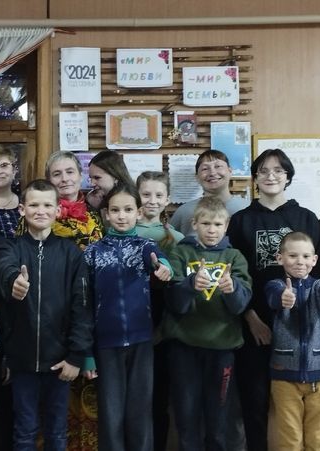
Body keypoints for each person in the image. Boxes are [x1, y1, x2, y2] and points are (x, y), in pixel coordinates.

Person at [227, 148, 320, 451]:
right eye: (263, 171)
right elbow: (234, 275)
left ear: (288, 176)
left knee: (298, 407)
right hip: (254, 325)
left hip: (298, 327)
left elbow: (319, 274)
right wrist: (250, 317)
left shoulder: (306, 218)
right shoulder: (240, 220)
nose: (271, 176)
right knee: (254, 400)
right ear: (255, 178)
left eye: (278, 170)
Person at [0, 179, 94, 451]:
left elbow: (82, 306)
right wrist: (14, 281)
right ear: (22, 209)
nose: (41, 211)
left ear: (58, 210)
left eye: (47, 205)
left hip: (60, 361)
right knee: (24, 432)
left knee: (57, 432)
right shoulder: (11, 247)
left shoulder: (71, 253)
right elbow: (5, 268)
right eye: (34, 205)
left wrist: (76, 356)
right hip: (21, 360)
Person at [84, 183, 172, 451]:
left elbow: (160, 261)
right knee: (111, 415)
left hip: (141, 341)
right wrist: (86, 353)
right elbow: (83, 304)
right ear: (106, 214)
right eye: (115, 210)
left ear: (138, 212)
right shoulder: (93, 252)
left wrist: (164, 268)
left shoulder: (146, 246)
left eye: (128, 210)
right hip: (106, 344)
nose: (121, 216)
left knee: (140, 413)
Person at [163, 196, 252, 451]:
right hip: (184, 348)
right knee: (186, 416)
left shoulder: (234, 257)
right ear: (194, 224)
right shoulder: (180, 252)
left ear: (226, 226)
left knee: (219, 419)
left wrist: (232, 289)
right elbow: (174, 303)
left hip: (222, 349)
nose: (211, 230)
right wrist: (190, 285)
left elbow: (240, 305)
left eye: (217, 224)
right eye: (205, 224)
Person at [265, 232, 320, 451]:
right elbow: (274, 296)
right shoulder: (275, 285)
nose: (299, 261)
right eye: (292, 256)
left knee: (318, 438)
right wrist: (284, 298)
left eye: (305, 256)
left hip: (319, 376)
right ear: (280, 258)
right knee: (289, 439)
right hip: (284, 376)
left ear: (314, 260)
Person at [43, 151, 103, 451]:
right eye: (57, 174)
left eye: (70, 172)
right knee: (53, 403)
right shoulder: (40, 213)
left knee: (90, 398)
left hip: (91, 314)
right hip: (51, 317)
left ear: (80, 176)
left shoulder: (97, 215)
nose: (64, 178)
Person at [135, 171, 184, 451]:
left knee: (159, 399)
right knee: (134, 399)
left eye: (158, 195)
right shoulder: (124, 231)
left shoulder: (176, 238)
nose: (152, 200)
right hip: (131, 326)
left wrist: (163, 329)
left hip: (163, 329)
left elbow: (178, 290)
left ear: (167, 199)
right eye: (146, 194)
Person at [170, 149, 249, 236]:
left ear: (230, 171)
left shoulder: (247, 208)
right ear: (197, 177)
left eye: (218, 166)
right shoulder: (184, 212)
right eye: (205, 169)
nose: (212, 173)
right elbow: (169, 241)